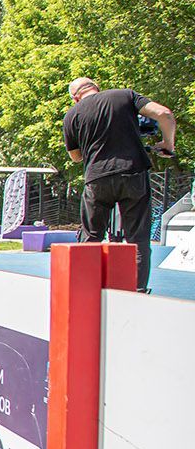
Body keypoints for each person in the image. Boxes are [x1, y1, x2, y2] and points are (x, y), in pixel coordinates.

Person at [63, 76, 177, 292]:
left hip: (97, 179)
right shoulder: (125, 95)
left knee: (91, 237)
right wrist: (168, 144)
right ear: (96, 86)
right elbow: (164, 114)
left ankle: (86, 289)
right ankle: (138, 291)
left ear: (75, 98)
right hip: (132, 172)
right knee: (138, 239)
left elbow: (76, 157)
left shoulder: (72, 115)